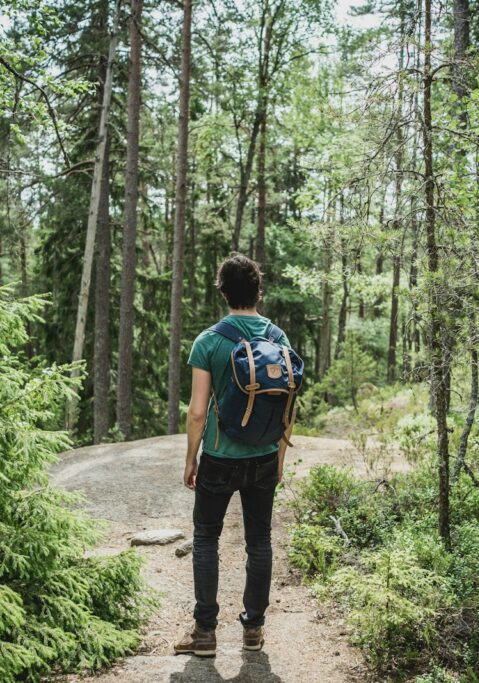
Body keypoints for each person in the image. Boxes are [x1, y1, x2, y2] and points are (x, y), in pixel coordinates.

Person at [174, 253, 295, 658]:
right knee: (259, 541)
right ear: (258, 291)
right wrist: (279, 458)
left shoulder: (209, 340)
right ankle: (253, 631)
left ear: (222, 291)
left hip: (221, 457)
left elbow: (196, 411)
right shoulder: (279, 339)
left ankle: (205, 633)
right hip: (263, 456)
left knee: (207, 537)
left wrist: (192, 458)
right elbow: (287, 407)